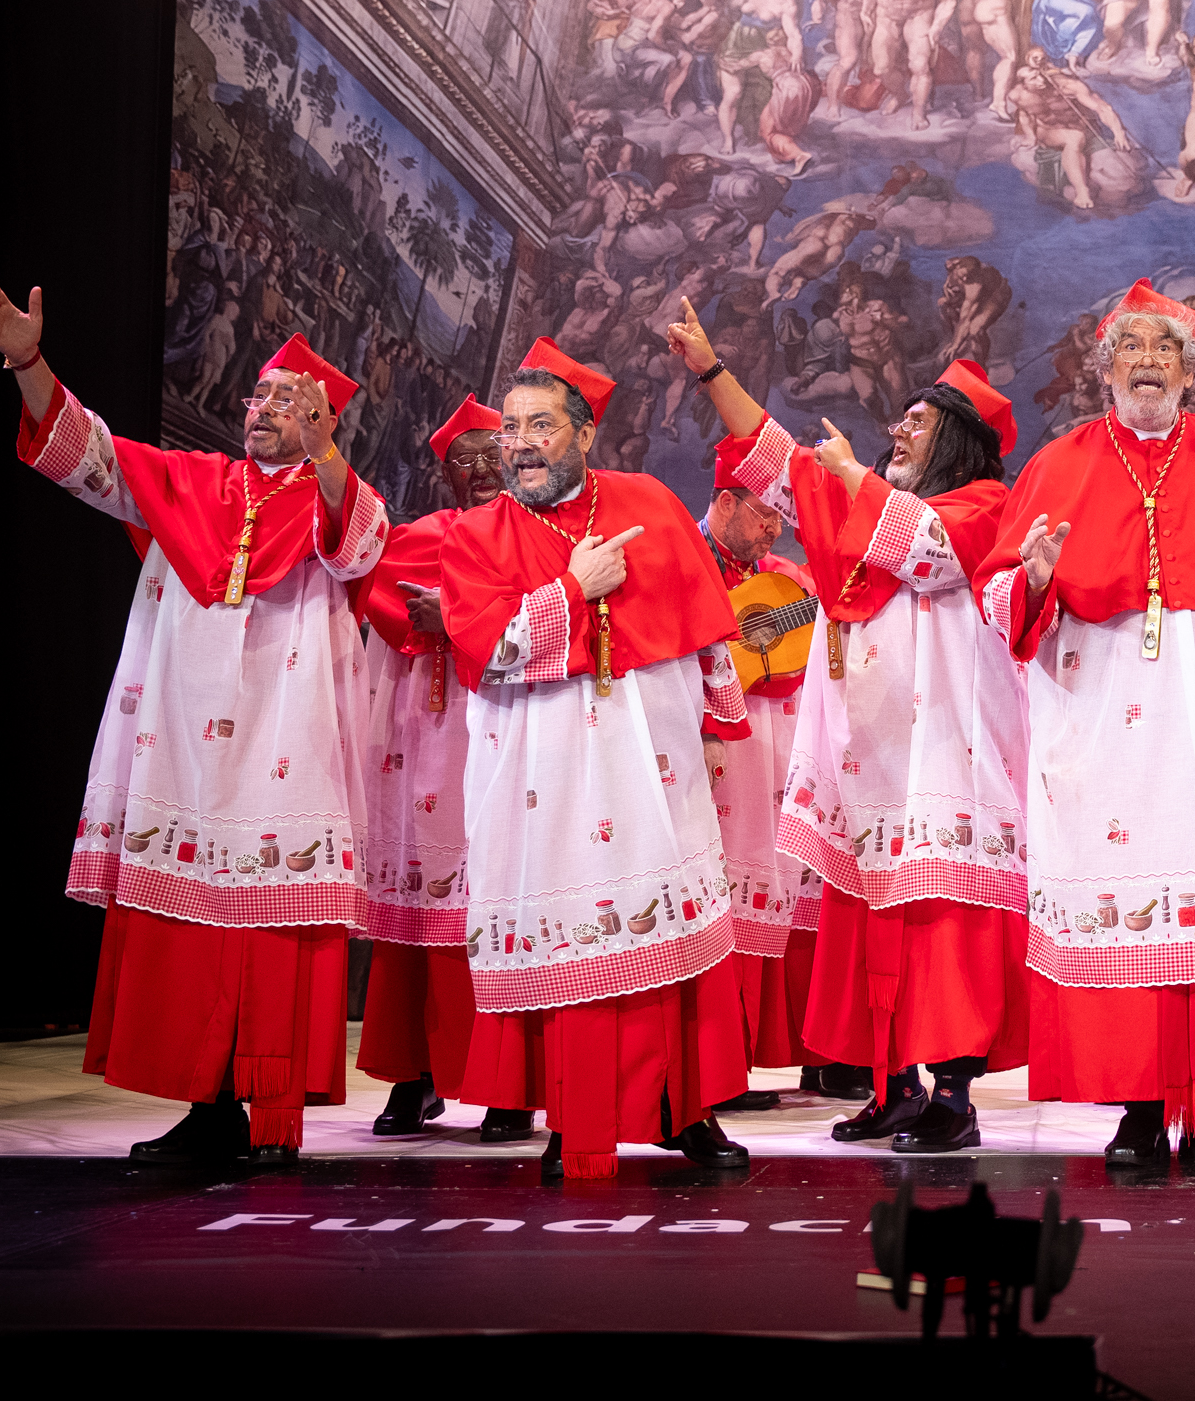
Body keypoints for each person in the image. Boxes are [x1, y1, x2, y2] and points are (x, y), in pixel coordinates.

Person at [0, 276, 386, 1165]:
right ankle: (209, 1108)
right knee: (193, 932)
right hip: (184, 741)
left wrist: (326, 454)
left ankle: (273, 1113)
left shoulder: (339, 497)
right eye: (260, 395)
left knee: (274, 931)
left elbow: (360, 547)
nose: (263, 409)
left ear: (325, 421)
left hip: (286, 741)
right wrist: (28, 360)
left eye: (289, 400)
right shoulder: (190, 480)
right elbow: (86, 452)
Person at [978, 278, 1195, 1166]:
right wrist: (1033, 576)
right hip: (1099, 715)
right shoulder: (1057, 463)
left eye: (1165, 349)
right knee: (1121, 892)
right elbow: (1000, 600)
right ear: (1105, 368)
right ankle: (1136, 1106)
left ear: (1189, 370)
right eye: (1132, 348)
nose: (1148, 362)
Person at [678, 307, 1030, 1155]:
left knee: (942, 928)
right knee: (870, 927)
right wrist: (710, 369)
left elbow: (929, 552)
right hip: (864, 755)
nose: (897, 432)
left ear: (958, 440)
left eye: (918, 422)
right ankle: (893, 1087)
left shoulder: (986, 504)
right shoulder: (859, 511)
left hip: (944, 756)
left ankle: (952, 1098)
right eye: (899, 420)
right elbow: (774, 459)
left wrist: (848, 476)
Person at [440, 338, 754, 1180]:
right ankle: (574, 1120)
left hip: (651, 761)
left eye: (539, 426)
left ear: (583, 434)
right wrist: (571, 590)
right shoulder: (476, 534)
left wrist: (714, 725)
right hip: (543, 773)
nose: (519, 444)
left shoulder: (647, 500)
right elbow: (488, 651)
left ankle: (684, 1110)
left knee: (670, 931)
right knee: (571, 932)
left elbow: (703, 631)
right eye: (510, 429)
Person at [352, 397, 540, 1144]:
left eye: (493, 453)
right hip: (423, 733)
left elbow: (548, 618)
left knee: (498, 905)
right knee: (418, 905)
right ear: (445, 474)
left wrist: (457, 616)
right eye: (465, 459)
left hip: (505, 726)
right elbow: (383, 603)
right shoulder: (420, 536)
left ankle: (509, 1084)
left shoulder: (536, 535)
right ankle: (414, 1071)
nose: (482, 468)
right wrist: (422, 618)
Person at [698, 440, 869, 1105]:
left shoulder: (788, 579)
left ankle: (821, 1054)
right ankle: (721, 1063)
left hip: (786, 745)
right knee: (722, 892)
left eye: (780, 516)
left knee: (799, 889)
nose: (776, 528)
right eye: (765, 514)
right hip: (717, 746)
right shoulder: (684, 562)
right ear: (724, 502)